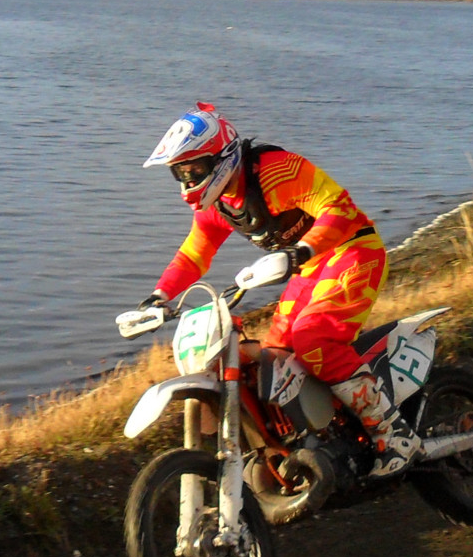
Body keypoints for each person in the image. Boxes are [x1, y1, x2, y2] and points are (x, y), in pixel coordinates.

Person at [136, 101, 421, 478]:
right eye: (180, 173)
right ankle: (321, 437)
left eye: (195, 170)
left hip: (352, 250)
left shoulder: (278, 170)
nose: (188, 182)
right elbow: (194, 253)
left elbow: (337, 207)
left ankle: (393, 432)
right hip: (309, 266)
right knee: (274, 356)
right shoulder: (217, 203)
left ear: (221, 158)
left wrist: (302, 249)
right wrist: (158, 297)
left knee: (314, 339)